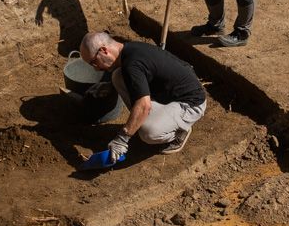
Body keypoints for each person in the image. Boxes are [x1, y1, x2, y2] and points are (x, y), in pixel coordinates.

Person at [80, 32, 206, 162]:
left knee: (149, 133)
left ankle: (179, 132)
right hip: (169, 94)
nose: (95, 68)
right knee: (118, 76)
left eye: (94, 62)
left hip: (190, 103)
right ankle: (145, 120)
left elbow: (144, 105)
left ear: (104, 50)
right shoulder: (129, 49)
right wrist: (111, 86)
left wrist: (123, 138)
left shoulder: (132, 64)